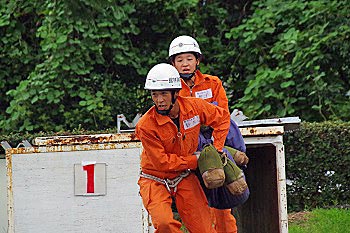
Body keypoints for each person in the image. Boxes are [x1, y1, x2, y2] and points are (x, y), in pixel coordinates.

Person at [136, 63, 231, 233]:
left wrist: (216, 150)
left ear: (176, 93)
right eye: (154, 94)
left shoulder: (195, 107)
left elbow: (223, 118)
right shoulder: (145, 125)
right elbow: (162, 163)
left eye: (164, 94)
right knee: (165, 225)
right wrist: (196, 160)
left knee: (204, 229)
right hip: (154, 179)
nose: (159, 100)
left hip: (184, 176)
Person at [169, 35, 246, 233]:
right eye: (179, 60)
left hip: (216, 139)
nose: (185, 64)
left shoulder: (213, 83)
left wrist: (217, 146)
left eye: (189, 59)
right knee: (200, 203)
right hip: (189, 144)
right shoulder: (171, 89)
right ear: (173, 64)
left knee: (225, 204)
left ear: (197, 60)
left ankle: (232, 156)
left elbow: (222, 115)